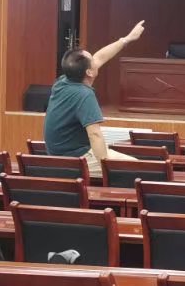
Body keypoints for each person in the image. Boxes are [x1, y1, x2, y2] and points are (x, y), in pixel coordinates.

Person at [42, 20, 147, 178]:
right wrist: (106, 167)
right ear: (89, 73)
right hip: (75, 160)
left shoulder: (62, 82)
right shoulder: (84, 94)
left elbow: (100, 57)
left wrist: (127, 38)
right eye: (92, 60)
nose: (96, 60)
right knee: (139, 170)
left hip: (59, 156)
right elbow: (95, 134)